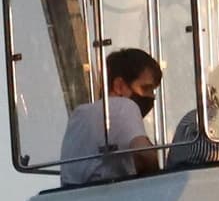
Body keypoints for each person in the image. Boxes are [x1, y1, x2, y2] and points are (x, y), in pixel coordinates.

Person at [58, 50, 164, 185]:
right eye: (145, 88)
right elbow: (144, 155)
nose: (151, 96)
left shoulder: (78, 114)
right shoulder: (125, 106)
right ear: (119, 85)